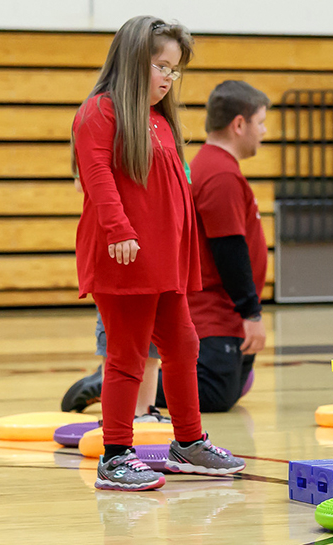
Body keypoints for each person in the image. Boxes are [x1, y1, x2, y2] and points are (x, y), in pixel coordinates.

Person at [72, 15, 245, 491]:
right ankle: (115, 455)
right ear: (131, 62)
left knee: (184, 344)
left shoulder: (161, 122)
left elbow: (172, 196)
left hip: (162, 261)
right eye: (161, 66)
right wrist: (119, 230)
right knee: (127, 355)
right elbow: (99, 179)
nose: (169, 78)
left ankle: (188, 443)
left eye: (175, 69)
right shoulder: (100, 113)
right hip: (123, 257)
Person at [151, 80, 271, 413]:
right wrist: (251, 312)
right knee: (215, 394)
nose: (263, 131)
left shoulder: (213, 166)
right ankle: (119, 383)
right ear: (239, 124)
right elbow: (228, 248)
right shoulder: (220, 175)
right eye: (260, 122)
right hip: (214, 312)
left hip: (221, 311)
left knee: (229, 390)